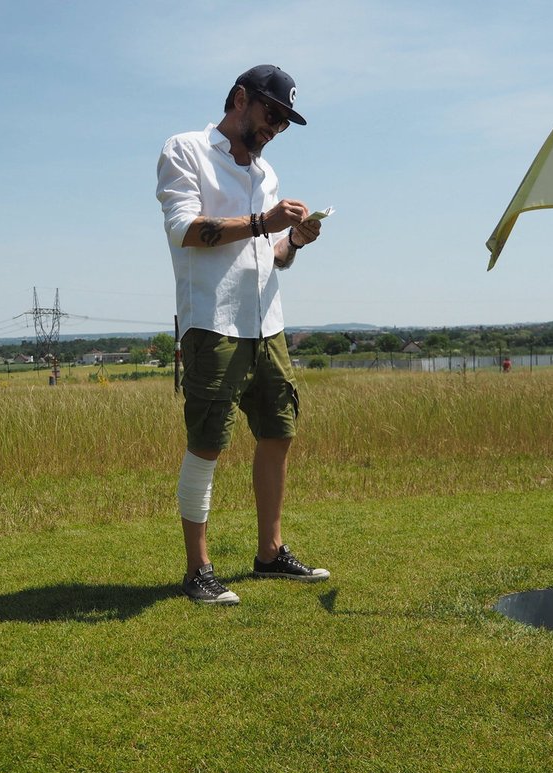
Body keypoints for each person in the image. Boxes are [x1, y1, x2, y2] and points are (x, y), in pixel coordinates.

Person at [156, 64, 329, 606]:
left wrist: (295, 240)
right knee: (207, 442)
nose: (276, 127)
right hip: (214, 324)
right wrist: (262, 221)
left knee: (279, 432)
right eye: (271, 114)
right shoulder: (185, 150)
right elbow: (186, 230)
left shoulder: (266, 173)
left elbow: (269, 257)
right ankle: (198, 569)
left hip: (267, 325)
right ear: (238, 99)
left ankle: (270, 553)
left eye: (285, 121)